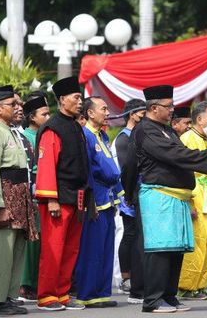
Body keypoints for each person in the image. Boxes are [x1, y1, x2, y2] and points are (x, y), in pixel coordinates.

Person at [124, 85, 207, 313]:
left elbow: (180, 155)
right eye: (168, 107)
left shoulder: (166, 130)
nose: (172, 110)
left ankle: (169, 297)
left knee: (175, 249)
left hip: (177, 198)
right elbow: (173, 155)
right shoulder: (145, 130)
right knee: (160, 249)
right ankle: (153, 300)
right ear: (154, 107)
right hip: (159, 196)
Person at [0, 85, 37, 315]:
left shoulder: (12, 130)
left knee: (17, 250)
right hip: (4, 197)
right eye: (13, 104)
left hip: (19, 196)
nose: (18, 107)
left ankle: (9, 296)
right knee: (1, 252)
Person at [34, 76, 88, 311]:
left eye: (81, 97)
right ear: (62, 100)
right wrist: (51, 199)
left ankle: (63, 293)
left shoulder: (75, 125)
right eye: (76, 98)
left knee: (71, 248)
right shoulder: (52, 128)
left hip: (76, 197)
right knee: (53, 248)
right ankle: (47, 296)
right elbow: (46, 166)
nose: (80, 102)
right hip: (58, 197)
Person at [74, 97, 123, 308]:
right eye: (103, 108)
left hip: (109, 198)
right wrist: (89, 199)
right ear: (90, 113)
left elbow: (111, 166)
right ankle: (87, 294)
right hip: (96, 199)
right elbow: (87, 172)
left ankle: (102, 293)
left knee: (106, 247)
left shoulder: (102, 134)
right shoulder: (85, 136)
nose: (107, 112)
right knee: (92, 249)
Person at [177, 101, 207, 301]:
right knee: (196, 241)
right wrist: (190, 202)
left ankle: (200, 285)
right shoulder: (188, 138)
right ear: (200, 119)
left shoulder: (206, 140)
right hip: (195, 194)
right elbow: (184, 170)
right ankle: (186, 285)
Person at [112, 99, 146, 304]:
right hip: (129, 193)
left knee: (139, 235)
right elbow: (127, 169)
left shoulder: (139, 136)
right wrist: (130, 196)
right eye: (142, 112)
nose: (144, 116)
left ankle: (139, 275)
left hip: (141, 192)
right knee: (130, 234)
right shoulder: (123, 139)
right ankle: (126, 277)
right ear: (133, 114)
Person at [19, 95, 50, 302]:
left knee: (43, 242)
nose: (48, 117)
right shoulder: (25, 137)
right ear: (32, 117)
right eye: (44, 114)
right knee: (32, 241)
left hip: (47, 193)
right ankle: (25, 284)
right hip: (32, 193)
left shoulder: (47, 135)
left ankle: (40, 282)